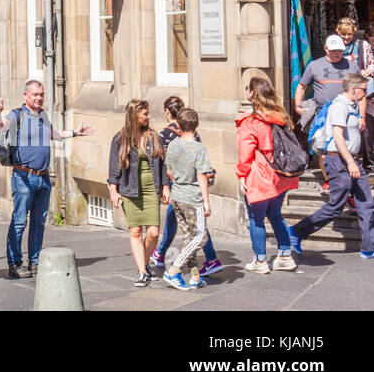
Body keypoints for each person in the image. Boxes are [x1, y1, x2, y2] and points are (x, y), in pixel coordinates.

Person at [0, 80, 94, 278]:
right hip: (24, 176)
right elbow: (0, 125)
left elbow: (53, 134)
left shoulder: (43, 116)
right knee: (20, 221)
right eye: (35, 95)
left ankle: (34, 261)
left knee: (39, 222)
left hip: (43, 178)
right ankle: (15, 263)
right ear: (26, 95)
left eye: (41, 94)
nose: (39, 98)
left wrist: (75, 132)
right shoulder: (17, 115)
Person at [290, 74, 374, 260]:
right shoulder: (338, 107)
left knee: (366, 204)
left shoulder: (351, 107)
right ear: (354, 90)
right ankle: (296, 232)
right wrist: (351, 162)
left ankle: (369, 247)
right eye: (364, 90)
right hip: (339, 162)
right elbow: (337, 137)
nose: (366, 94)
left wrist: (355, 160)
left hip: (352, 161)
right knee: (336, 206)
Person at [236, 75, 301, 274]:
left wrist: (241, 175)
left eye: (248, 89)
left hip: (259, 174)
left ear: (253, 94)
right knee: (275, 213)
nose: (246, 92)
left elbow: (245, 153)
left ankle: (260, 260)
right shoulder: (281, 116)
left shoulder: (251, 121)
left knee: (256, 218)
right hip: (281, 173)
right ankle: (284, 255)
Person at [151, 96, 221, 277]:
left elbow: (166, 167)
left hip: (178, 191)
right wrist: (206, 200)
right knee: (197, 232)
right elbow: (201, 173)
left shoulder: (168, 138)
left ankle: (191, 270)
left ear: (168, 113)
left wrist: (167, 186)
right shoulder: (196, 141)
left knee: (191, 232)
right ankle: (184, 268)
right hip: (192, 192)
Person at [107, 99, 169, 287]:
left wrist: (165, 186)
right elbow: (113, 167)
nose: (149, 117)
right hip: (129, 190)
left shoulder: (153, 137)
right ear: (134, 115)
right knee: (135, 231)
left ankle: (145, 261)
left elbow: (163, 164)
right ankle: (142, 271)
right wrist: (113, 190)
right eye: (145, 114)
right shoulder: (120, 139)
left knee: (153, 232)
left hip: (151, 188)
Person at [161, 108, 215, 291]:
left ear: (178, 125)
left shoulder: (174, 144)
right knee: (200, 236)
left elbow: (169, 171)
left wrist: (179, 182)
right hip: (193, 198)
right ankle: (174, 270)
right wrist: (206, 201)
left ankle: (195, 276)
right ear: (197, 125)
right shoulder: (199, 148)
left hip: (177, 196)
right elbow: (202, 176)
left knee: (188, 237)